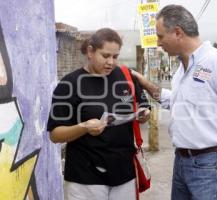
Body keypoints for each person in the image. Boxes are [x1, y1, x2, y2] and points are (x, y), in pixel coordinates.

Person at [131, 4, 217, 200]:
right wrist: (143, 82)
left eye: (160, 36)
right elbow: (175, 102)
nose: (158, 43)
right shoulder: (182, 70)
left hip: (210, 165)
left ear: (178, 33)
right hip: (182, 162)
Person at [47, 28, 150, 200]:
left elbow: (142, 101)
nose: (111, 62)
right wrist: (84, 127)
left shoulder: (124, 76)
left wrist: (144, 113)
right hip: (86, 179)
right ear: (90, 51)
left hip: (124, 174)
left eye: (115, 57)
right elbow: (55, 135)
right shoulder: (69, 84)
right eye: (105, 55)